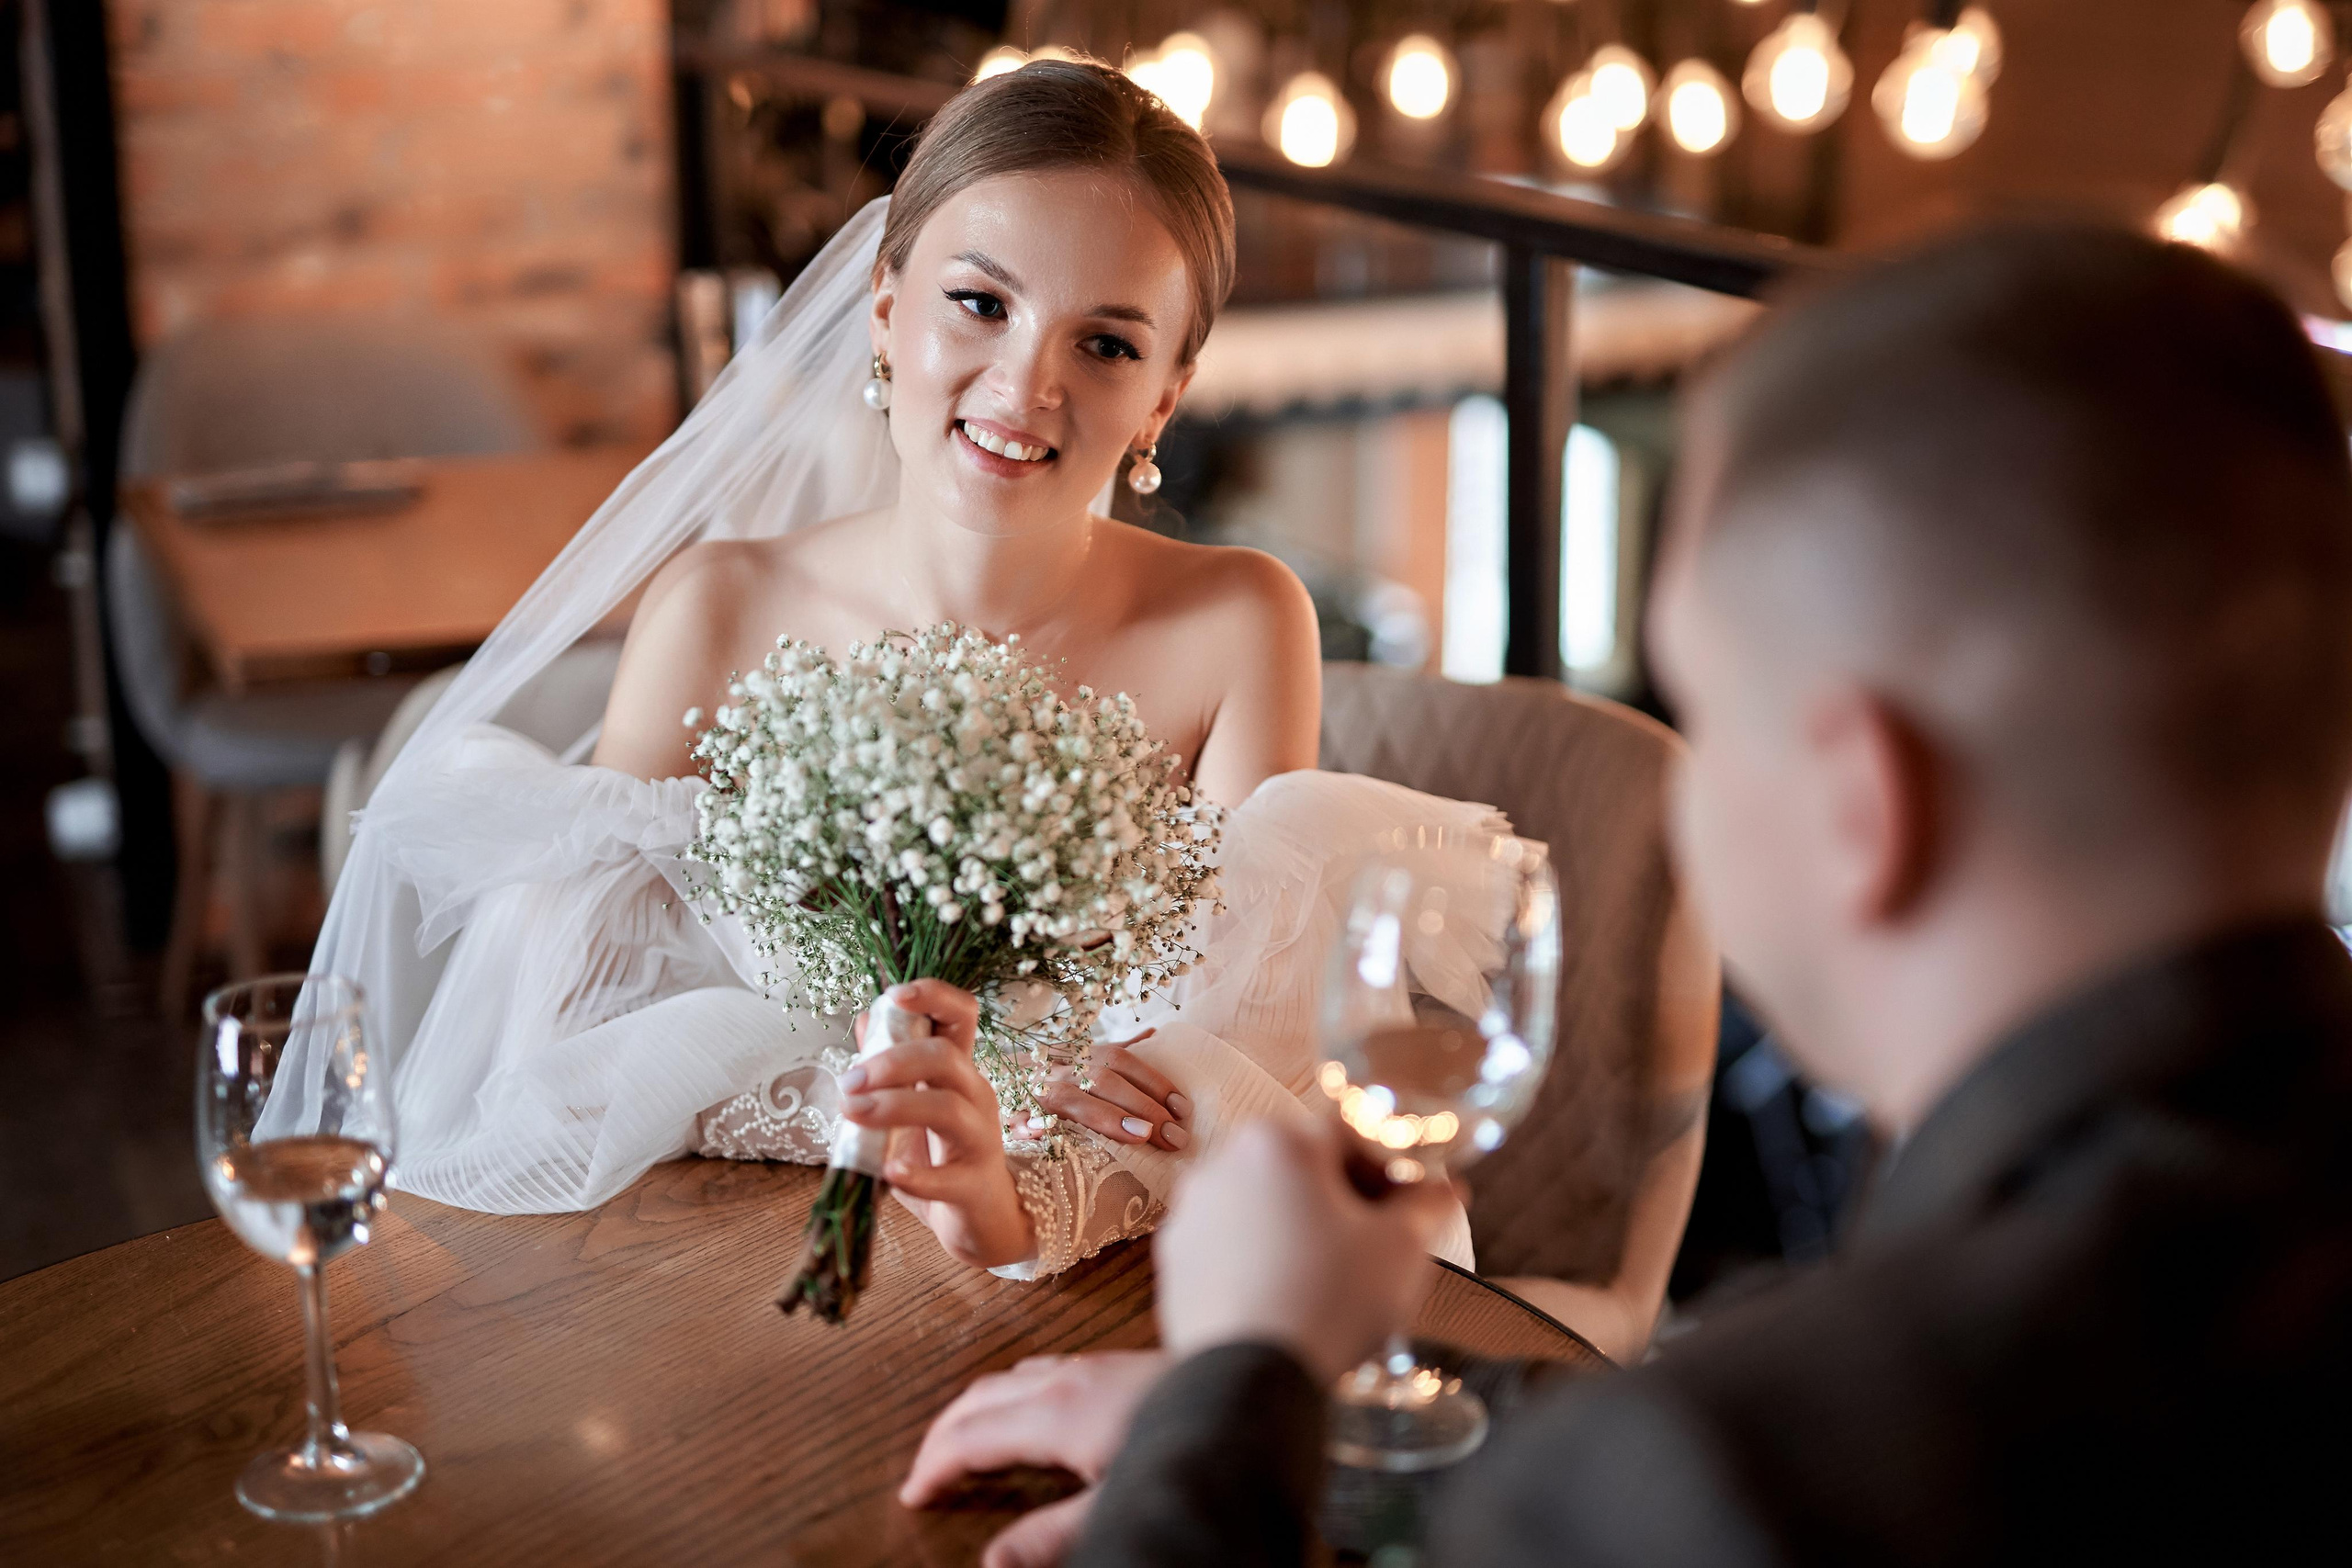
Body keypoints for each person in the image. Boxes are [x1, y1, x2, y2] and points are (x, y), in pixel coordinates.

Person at [905, 224, 2352, 1563]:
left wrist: (1239, 1389)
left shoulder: (1749, 1477)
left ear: (1864, 804)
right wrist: (1317, 1436)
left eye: (1710, 712)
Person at [283, 61, 1588, 1288]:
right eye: (981, 303)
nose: (1026, 385)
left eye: (1107, 345)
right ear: (884, 311)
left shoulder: (1241, 622)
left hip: (1090, 1287)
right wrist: (893, 1108)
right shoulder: (717, 610)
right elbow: (573, 1060)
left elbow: (1228, 1080)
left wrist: (1001, 1191)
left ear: (1166, 399)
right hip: (714, 1272)